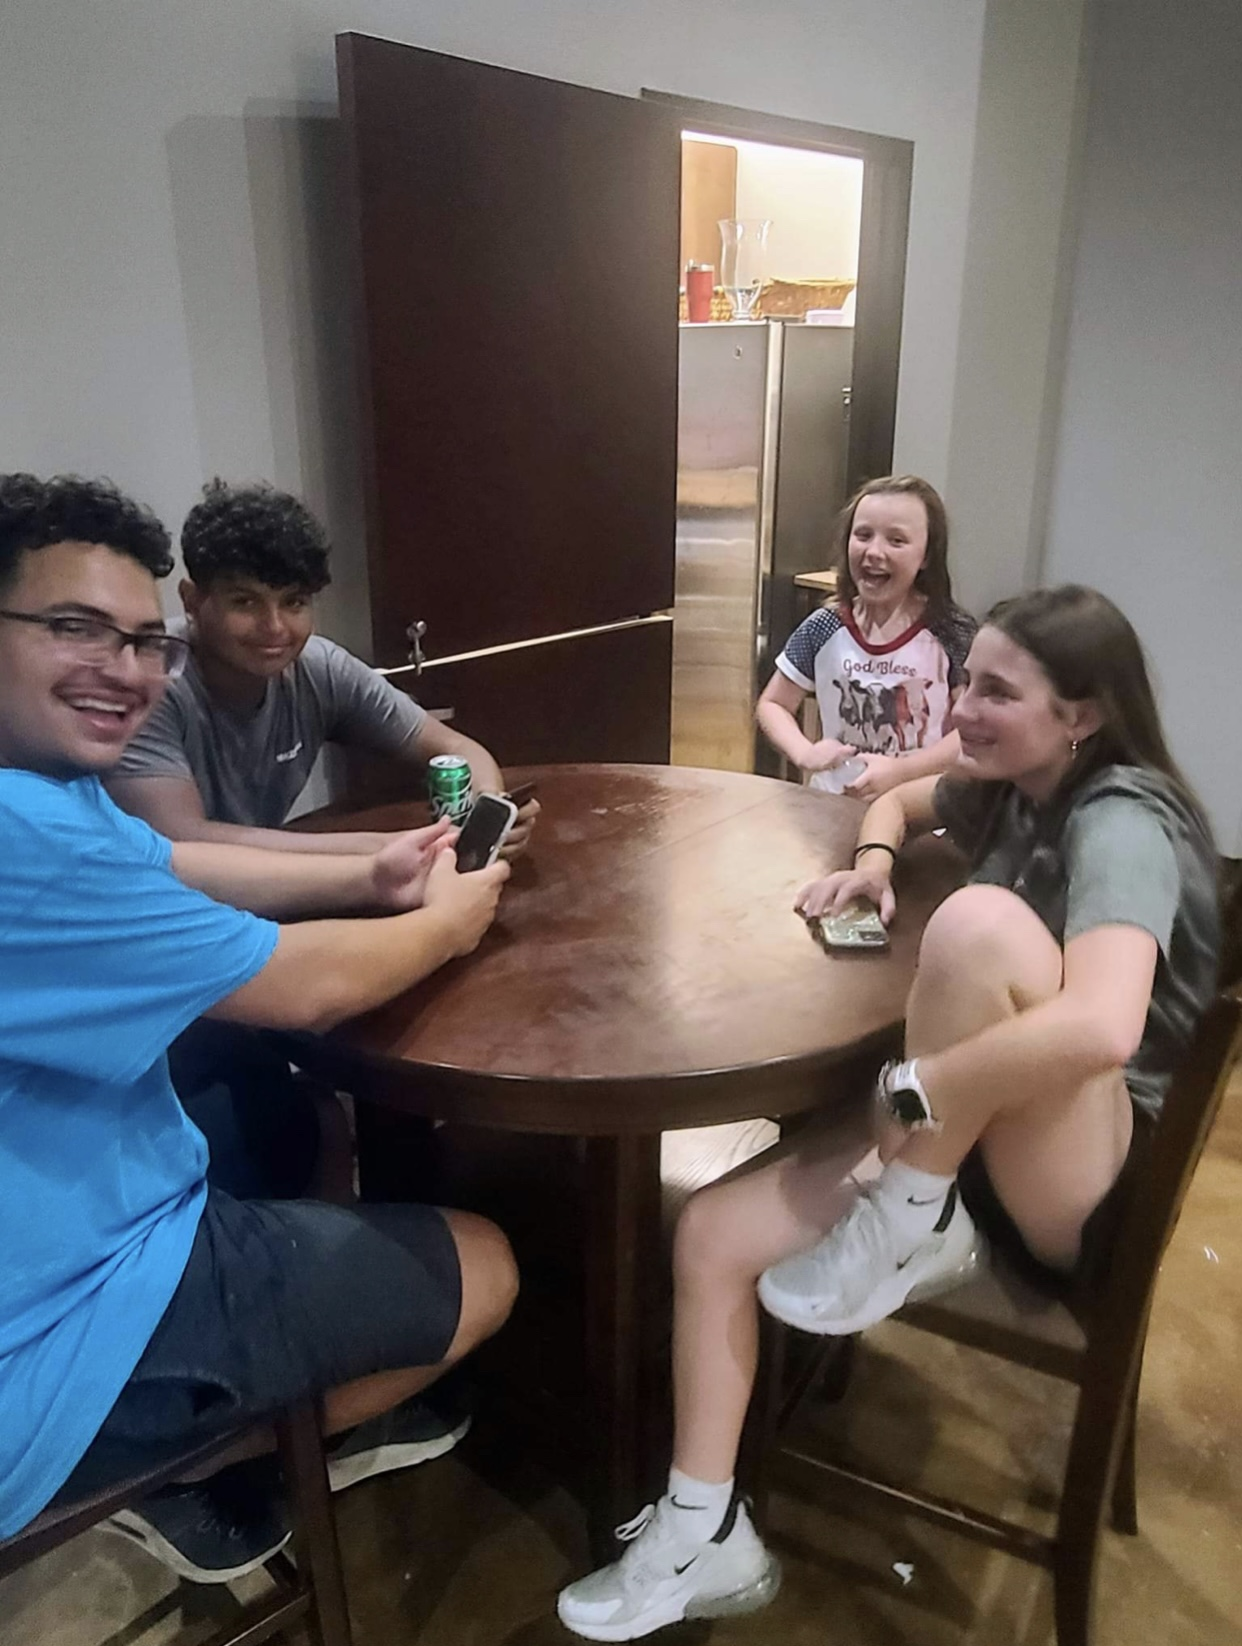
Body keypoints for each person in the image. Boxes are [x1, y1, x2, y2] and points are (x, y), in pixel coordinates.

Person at [557, 584, 1220, 1641]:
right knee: (713, 1233)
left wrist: (918, 1090)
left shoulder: (1121, 818)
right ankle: (704, 1527)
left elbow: (1104, 1027)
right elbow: (892, 798)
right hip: (972, 1143)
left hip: (1076, 1182)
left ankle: (912, 1210)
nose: (962, 708)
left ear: (1083, 714)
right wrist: (872, 867)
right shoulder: (1013, 781)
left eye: (997, 691)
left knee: (980, 924)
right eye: (966, 680)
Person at [0, 473, 519, 1581]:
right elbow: (304, 988)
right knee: (489, 1262)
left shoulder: (44, 789)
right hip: (54, 1326)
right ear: (205, 605)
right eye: (73, 628)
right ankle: (172, 1468)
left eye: (138, 640)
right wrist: (450, 913)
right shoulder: (34, 836)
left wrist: (379, 861)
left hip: (87, 1199)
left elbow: (177, 859)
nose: (123, 667)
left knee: (298, 1122)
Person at [106, 478, 539, 855]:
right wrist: (382, 849)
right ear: (192, 600)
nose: (274, 627)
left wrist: (490, 809)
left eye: (293, 602)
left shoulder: (319, 668)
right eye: (245, 602)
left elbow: (457, 749)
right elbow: (183, 844)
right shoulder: (147, 678)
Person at [756, 474, 976, 802]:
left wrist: (904, 770)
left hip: (917, 810)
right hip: (831, 806)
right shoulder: (823, 626)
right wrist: (805, 753)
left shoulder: (952, 631)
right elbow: (773, 704)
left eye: (896, 540)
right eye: (863, 535)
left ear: (926, 556)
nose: (874, 551)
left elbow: (971, 729)